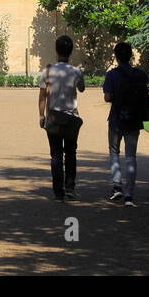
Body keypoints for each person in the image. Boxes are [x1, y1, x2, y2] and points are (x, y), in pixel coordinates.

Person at [38, 35, 85, 201]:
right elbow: (82, 89)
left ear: (56, 50)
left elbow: (42, 96)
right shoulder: (76, 71)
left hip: (54, 116)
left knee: (56, 155)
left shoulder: (48, 71)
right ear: (71, 51)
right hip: (71, 117)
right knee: (71, 153)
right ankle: (70, 188)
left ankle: (58, 192)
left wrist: (40, 115)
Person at [102, 41, 149, 206]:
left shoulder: (112, 74)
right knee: (131, 157)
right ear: (131, 55)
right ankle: (129, 195)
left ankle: (117, 187)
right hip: (134, 119)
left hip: (116, 118)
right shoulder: (140, 74)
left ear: (116, 56)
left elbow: (107, 97)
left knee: (114, 152)